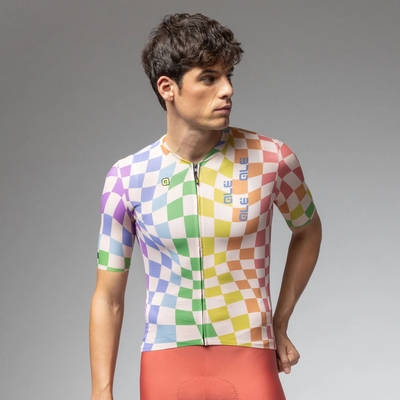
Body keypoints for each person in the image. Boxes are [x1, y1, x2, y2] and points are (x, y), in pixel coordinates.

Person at [90, 13, 322, 400]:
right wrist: (101, 391)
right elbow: (108, 297)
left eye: (229, 75)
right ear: (168, 87)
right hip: (165, 363)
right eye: (210, 78)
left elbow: (308, 230)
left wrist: (279, 321)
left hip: (249, 355)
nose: (228, 89)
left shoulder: (272, 159)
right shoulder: (127, 178)